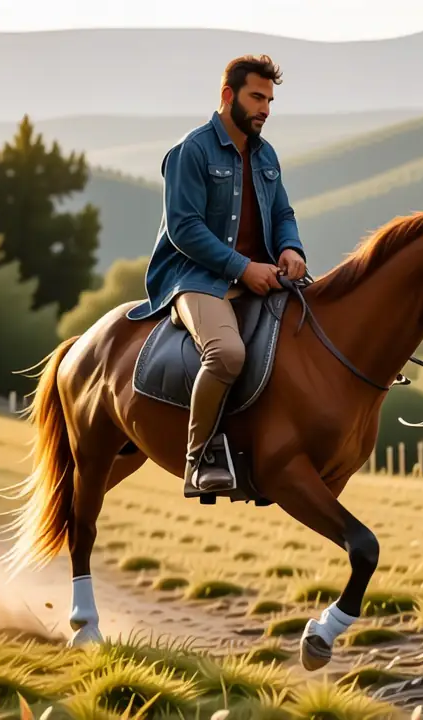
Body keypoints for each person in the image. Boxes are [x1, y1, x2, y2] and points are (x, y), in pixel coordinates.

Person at [126, 54, 308, 497]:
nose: (265, 107)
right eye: (257, 97)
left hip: (260, 273)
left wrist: (290, 248)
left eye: (270, 99)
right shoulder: (191, 151)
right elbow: (184, 229)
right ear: (228, 96)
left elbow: (282, 212)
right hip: (194, 277)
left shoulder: (267, 155)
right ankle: (199, 457)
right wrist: (243, 268)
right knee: (227, 353)